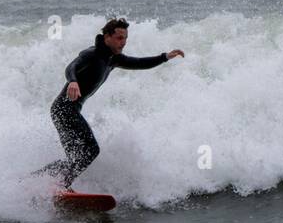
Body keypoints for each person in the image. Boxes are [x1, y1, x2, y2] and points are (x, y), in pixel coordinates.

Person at [42, 18, 184, 188]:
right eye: (119, 38)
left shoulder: (113, 59)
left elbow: (139, 63)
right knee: (90, 151)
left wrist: (165, 57)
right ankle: (61, 184)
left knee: (77, 157)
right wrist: (73, 81)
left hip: (68, 111)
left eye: (125, 38)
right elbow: (71, 67)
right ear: (107, 37)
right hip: (63, 110)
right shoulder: (92, 54)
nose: (123, 42)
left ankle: (41, 179)